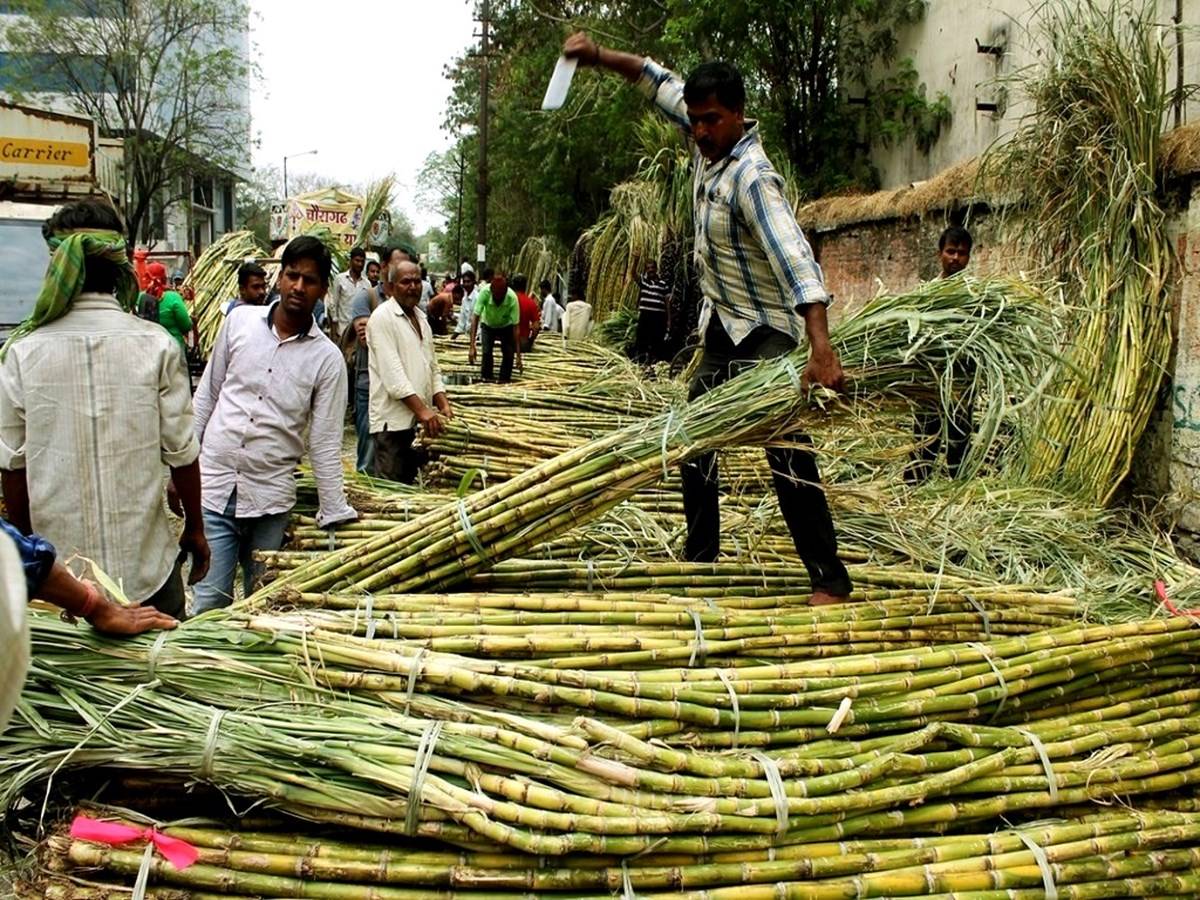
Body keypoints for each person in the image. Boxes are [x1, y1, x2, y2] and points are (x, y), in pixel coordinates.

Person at [565, 33, 852, 606]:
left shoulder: (753, 179)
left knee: (785, 447)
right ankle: (702, 556)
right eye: (695, 120)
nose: (700, 130)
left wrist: (820, 350)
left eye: (712, 120)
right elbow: (654, 80)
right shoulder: (705, 145)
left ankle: (828, 577)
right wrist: (597, 57)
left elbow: (798, 261)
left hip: (767, 330)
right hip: (722, 322)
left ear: (740, 115)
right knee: (694, 437)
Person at [0, 199, 210, 619]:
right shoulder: (157, 346)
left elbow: (13, 467)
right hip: (148, 572)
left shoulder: (21, 353)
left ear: (57, 266)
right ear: (120, 267)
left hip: (61, 587)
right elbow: (183, 454)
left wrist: (29, 555)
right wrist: (196, 529)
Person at [191, 235, 357, 613]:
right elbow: (207, 396)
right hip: (214, 485)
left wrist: (334, 510)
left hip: (269, 499)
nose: (299, 287)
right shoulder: (238, 323)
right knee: (208, 605)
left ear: (323, 290)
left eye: (309, 280)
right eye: (292, 276)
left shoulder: (327, 360)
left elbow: (325, 440)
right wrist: (183, 470)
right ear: (278, 279)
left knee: (263, 606)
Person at [367, 260, 451, 483]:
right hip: (393, 424)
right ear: (392, 286)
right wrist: (424, 412)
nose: (413, 286)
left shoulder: (422, 319)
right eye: (406, 282)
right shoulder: (382, 318)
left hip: (418, 425)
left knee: (416, 486)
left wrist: (442, 403)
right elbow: (394, 377)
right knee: (392, 492)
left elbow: (432, 367)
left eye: (417, 281)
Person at [907, 225, 976, 483]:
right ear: (940, 254)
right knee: (925, 437)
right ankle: (914, 491)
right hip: (930, 378)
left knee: (959, 438)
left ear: (969, 257)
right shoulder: (927, 295)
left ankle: (958, 492)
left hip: (961, 380)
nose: (955, 258)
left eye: (961, 253)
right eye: (950, 251)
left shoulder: (977, 296)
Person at [348, 270, 386, 475]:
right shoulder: (366, 297)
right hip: (369, 379)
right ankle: (365, 489)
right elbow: (365, 337)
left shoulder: (409, 303)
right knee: (369, 442)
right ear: (385, 267)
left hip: (398, 386)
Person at [469, 271, 522, 383]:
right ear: (491, 292)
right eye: (495, 296)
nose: (498, 300)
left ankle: (504, 381)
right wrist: (472, 346)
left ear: (505, 292)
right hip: (488, 325)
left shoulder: (512, 298)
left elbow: (516, 328)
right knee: (486, 352)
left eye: (500, 297)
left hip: (505, 326)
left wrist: (518, 355)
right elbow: (475, 318)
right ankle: (487, 379)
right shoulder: (484, 293)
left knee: (508, 353)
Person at [326, 246, 371, 342]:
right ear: (351, 261)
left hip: (358, 334)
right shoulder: (340, 279)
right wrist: (334, 334)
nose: (360, 264)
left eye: (362, 261)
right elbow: (333, 304)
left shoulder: (367, 284)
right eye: (357, 261)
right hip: (342, 331)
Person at [635, 259, 671, 363]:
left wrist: (669, 320)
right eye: (648, 268)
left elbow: (667, 302)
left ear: (656, 269)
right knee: (642, 340)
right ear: (645, 270)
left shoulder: (663, 284)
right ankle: (640, 363)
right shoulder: (643, 281)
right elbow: (633, 274)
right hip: (645, 316)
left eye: (652, 268)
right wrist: (635, 261)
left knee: (656, 341)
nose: (650, 270)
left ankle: (655, 363)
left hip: (658, 317)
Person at [513, 273, 541, 352]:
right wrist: (531, 340)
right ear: (525, 286)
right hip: (523, 342)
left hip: (509, 342)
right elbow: (536, 327)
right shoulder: (531, 303)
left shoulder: (507, 301)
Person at [454, 265, 480, 337]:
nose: (466, 284)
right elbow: (462, 321)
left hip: (477, 336)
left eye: (468, 281)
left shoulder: (478, 298)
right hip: (467, 335)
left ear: (474, 282)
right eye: (464, 282)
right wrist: (454, 336)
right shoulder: (464, 299)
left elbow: (480, 321)